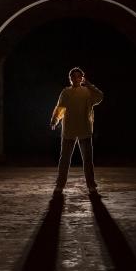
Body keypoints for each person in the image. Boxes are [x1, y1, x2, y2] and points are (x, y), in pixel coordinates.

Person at [49, 67, 103, 198]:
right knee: (64, 159)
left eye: (79, 76)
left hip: (84, 128)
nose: (76, 79)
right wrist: (55, 120)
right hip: (69, 129)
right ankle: (60, 185)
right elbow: (60, 107)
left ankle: (91, 185)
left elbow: (100, 96)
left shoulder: (87, 92)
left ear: (82, 78)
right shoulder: (66, 92)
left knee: (88, 160)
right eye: (74, 76)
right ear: (70, 78)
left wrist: (89, 84)